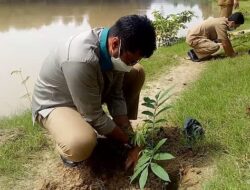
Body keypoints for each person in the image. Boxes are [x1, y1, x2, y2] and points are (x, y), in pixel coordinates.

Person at [32, 15, 156, 168]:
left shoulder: (113, 47)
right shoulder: (81, 59)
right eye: (130, 60)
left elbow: (116, 95)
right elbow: (94, 115)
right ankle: (66, 143)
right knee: (80, 143)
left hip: (88, 93)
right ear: (115, 43)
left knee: (136, 73)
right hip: (57, 103)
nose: (131, 64)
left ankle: (117, 132)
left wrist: (128, 137)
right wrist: (131, 144)